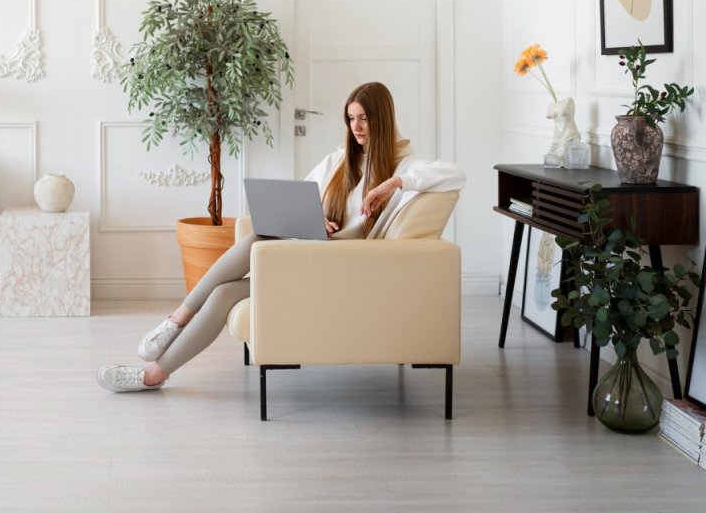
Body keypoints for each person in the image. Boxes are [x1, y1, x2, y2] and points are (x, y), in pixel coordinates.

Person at [97, 81, 466, 393]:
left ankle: (177, 319)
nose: (357, 127)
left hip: (342, 267)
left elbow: (455, 174)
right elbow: (301, 196)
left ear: (382, 119)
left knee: (255, 238)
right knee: (225, 292)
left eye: (365, 118)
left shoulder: (404, 164)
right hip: (310, 255)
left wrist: (393, 184)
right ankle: (154, 375)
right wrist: (317, 217)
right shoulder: (338, 160)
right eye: (351, 118)